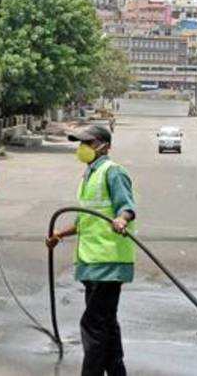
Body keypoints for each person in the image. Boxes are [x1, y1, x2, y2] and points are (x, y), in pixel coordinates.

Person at [46, 124, 136, 376]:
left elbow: (126, 206)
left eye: (87, 143)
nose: (82, 148)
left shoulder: (113, 172)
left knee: (92, 324)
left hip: (109, 261)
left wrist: (122, 219)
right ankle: (116, 372)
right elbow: (87, 219)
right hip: (92, 261)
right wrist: (59, 235)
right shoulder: (89, 174)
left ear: (104, 146)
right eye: (81, 144)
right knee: (106, 322)